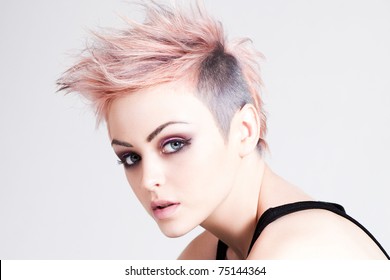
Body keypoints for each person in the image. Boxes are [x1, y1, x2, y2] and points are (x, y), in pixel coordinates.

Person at [57, 1, 389, 260]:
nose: (148, 180)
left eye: (174, 144)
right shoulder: (210, 252)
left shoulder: (299, 250)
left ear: (244, 130)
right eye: (130, 157)